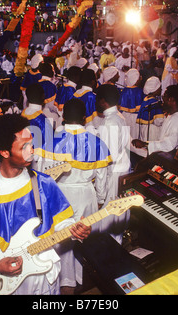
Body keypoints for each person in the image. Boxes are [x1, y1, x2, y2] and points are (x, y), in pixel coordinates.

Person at [0, 114, 91, 295]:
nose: (32, 151)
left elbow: (62, 222)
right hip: (6, 282)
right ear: (4, 152)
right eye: (24, 147)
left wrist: (74, 229)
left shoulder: (44, 184)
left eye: (31, 144)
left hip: (45, 277)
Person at [49, 98, 111, 295]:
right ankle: (83, 277)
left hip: (60, 194)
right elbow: (102, 178)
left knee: (63, 240)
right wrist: (100, 198)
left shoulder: (51, 141)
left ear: (63, 117)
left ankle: (64, 280)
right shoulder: (95, 142)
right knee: (85, 237)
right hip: (85, 193)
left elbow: (42, 175)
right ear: (85, 118)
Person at [95, 84, 131, 244]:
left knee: (108, 217)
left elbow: (106, 160)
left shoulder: (109, 122)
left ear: (103, 101)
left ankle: (111, 252)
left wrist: (100, 193)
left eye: (97, 99)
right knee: (118, 214)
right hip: (122, 168)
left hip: (113, 172)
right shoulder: (119, 116)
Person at [132, 84, 178, 156]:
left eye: (164, 97)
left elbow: (169, 144)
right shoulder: (174, 115)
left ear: (171, 99)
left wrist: (144, 144)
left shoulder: (177, 119)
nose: (162, 99)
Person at [21, 83, 55, 172]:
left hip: (22, 158)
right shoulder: (42, 119)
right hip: (37, 162)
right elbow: (49, 145)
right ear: (43, 96)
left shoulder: (22, 114)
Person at [136, 76, 165, 151]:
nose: (161, 89)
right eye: (159, 87)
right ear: (154, 89)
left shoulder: (146, 99)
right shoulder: (155, 102)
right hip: (153, 131)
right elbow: (159, 121)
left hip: (144, 129)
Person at [119, 68, 144, 141]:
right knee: (134, 137)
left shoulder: (123, 90)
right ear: (135, 79)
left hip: (124, 115)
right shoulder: (140, 91)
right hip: (135, 118)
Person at [38, 61, 60, 128]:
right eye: (52, 70)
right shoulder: (50, 86)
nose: (54, 72)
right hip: (48, 114)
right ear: (49, 71)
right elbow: (52, 106)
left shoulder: (37, 83)